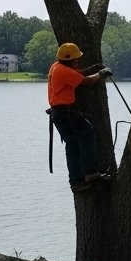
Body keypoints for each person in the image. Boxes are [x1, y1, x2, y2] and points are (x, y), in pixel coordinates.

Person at [47, 42, 112, 191]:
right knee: (88, 134)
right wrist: (101, 74)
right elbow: (86, 81)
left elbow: (77, 74)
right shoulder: (64, 71)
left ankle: (76, 181)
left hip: (59, 113)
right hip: (66, 112)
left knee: (73, 145)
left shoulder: (56, 67)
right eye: (76, 59)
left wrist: (92, 69)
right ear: (69, 60)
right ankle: (91, 172)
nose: (78, 61)